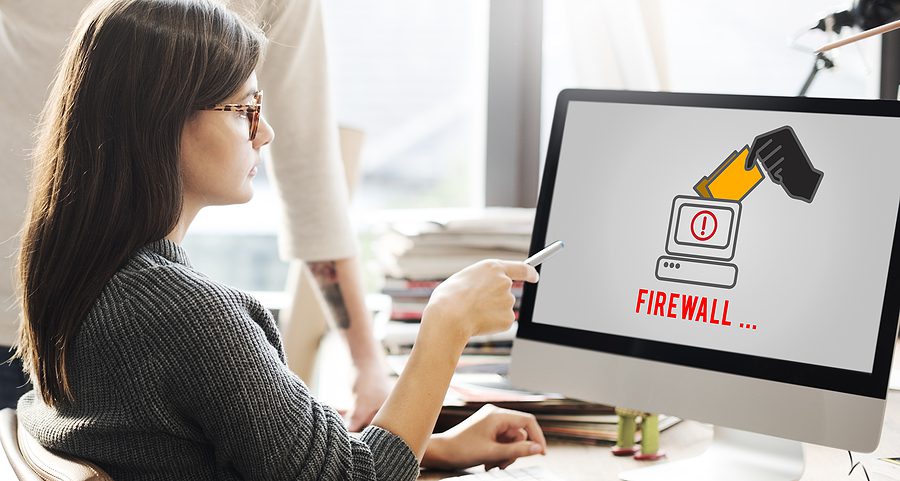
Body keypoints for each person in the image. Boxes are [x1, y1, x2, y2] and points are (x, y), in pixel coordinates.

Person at [14, 0, 546, 479]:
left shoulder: (79, 277)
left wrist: (429, 446)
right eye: (243, 110)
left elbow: (257, 446)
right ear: (163, 121)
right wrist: (447, 323)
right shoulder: (185, 317)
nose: (264, 131)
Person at [0, 0, 390, 429]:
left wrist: (364, 362)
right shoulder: (198, 321)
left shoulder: (181, 312)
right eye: (243, 110)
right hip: (40, 318)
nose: (263, 133)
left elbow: (309, 173)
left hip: (56, 303)